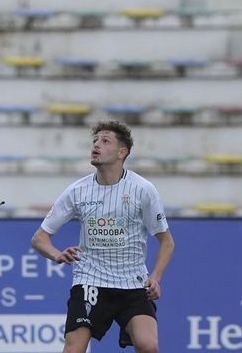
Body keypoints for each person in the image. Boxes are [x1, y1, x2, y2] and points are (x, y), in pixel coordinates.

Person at [31, 120, 174, 353]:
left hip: (133, 283)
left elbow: (167, 242)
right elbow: (39, 238)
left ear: (121, 152)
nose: (96, 145)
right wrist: (57, 255)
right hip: (90, 280)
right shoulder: (77, 191)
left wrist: (156, 277)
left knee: (149, 346)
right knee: (73, 349)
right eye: (95, 140)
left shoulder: (143, 189)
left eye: (105, 141)